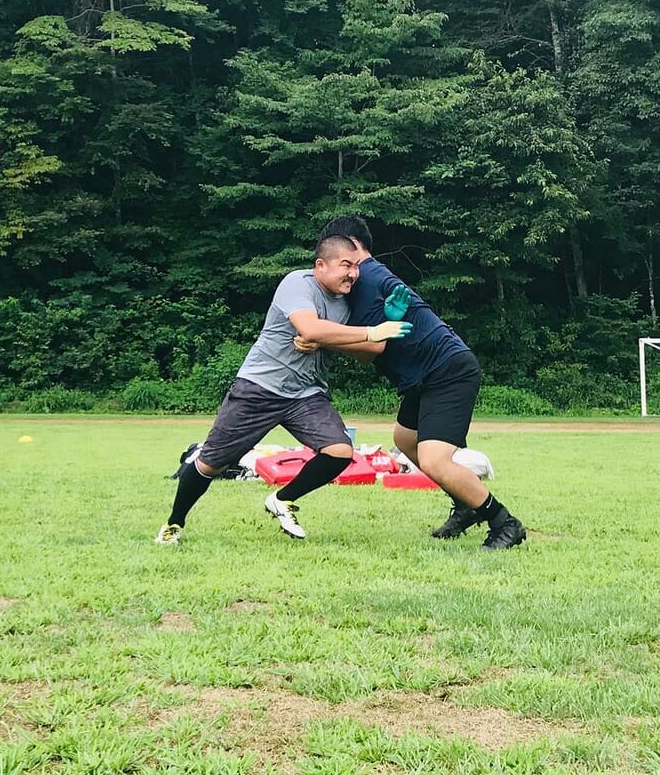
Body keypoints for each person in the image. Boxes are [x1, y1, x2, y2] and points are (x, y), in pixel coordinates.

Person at [154, 235, 411, 544]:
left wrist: (385, 324)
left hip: (306, 393)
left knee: (340, 451)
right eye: (346, 265)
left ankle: (283, 499)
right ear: (320, 265)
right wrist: (358, 332)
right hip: (260, 387)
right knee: (211, 463)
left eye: (356, 267)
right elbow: (311, 328)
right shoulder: (298, 283)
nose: (353, 274)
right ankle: (174, 524)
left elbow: (368, 351)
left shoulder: (345, 304)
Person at [311, 215, 527, 550]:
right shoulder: (364, 280)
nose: (346, 272)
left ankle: (504, 522)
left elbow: (373, 345)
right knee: (405, 440)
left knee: (434, 459)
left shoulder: (367, 278)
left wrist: (321, 339)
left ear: (352, 247)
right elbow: (371, 352)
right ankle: (465, 504)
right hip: (422, 378)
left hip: (446, 371)